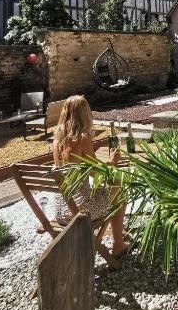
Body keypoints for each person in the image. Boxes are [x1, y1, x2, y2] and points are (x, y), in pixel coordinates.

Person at [52, 95, 129, 256]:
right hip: (80, 211)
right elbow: (98, 173)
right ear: (84, 113)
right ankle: (118, 244)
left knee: (104, 190)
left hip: (61, 209)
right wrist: (112, 161)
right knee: (120, 191)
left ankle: (114, 234)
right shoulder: (82, 138)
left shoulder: (57, 140)